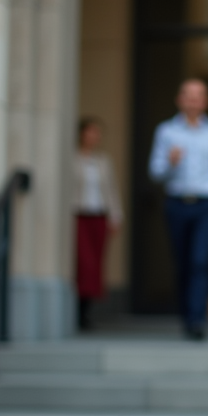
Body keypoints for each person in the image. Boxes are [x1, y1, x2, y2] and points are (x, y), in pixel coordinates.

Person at [148, 78, 208, 340]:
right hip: (176, 204)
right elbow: (155, 172)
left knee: (200, 262)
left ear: (206, 101)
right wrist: (170, 163)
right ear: (179, 100)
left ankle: (197, 320)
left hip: (206, 205)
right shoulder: (166, 132)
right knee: (183, 263)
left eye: (199, 95)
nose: (193, 99)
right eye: (188, 94)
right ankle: (186, 315)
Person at [73, 117, 123, 330]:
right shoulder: (71, 159)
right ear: (82, 134)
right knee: (84, 263)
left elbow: (110, 189)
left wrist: (116, 215)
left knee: (96, 265)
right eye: (90, 132)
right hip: (78, 215)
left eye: (97, 132)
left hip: (99, 215)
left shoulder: (103, 161)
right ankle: (77, 311)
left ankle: (86, 312)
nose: (94, 136)